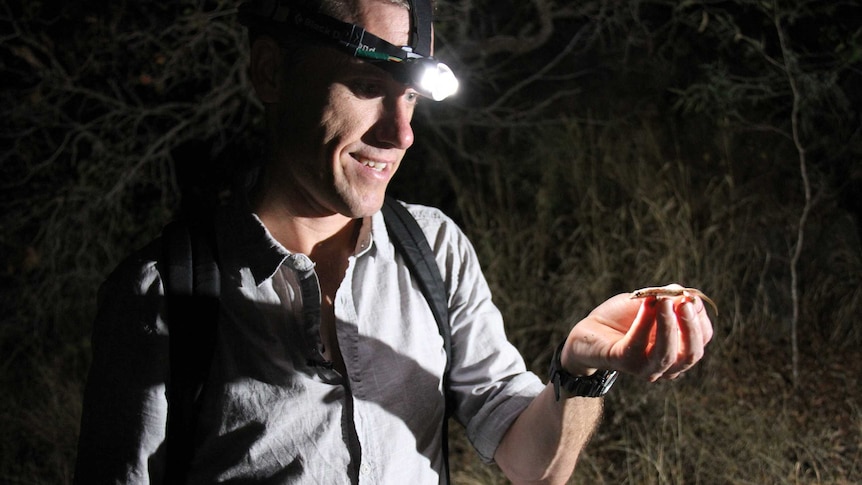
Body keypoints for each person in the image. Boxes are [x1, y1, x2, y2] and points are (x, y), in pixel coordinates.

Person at [74, 0, 714, 483]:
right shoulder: (164, 291)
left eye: (410, 97)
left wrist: (581, 368)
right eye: (367, 86)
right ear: (270, 73)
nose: (401, 133)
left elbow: (532, 463)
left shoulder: (432, 249)